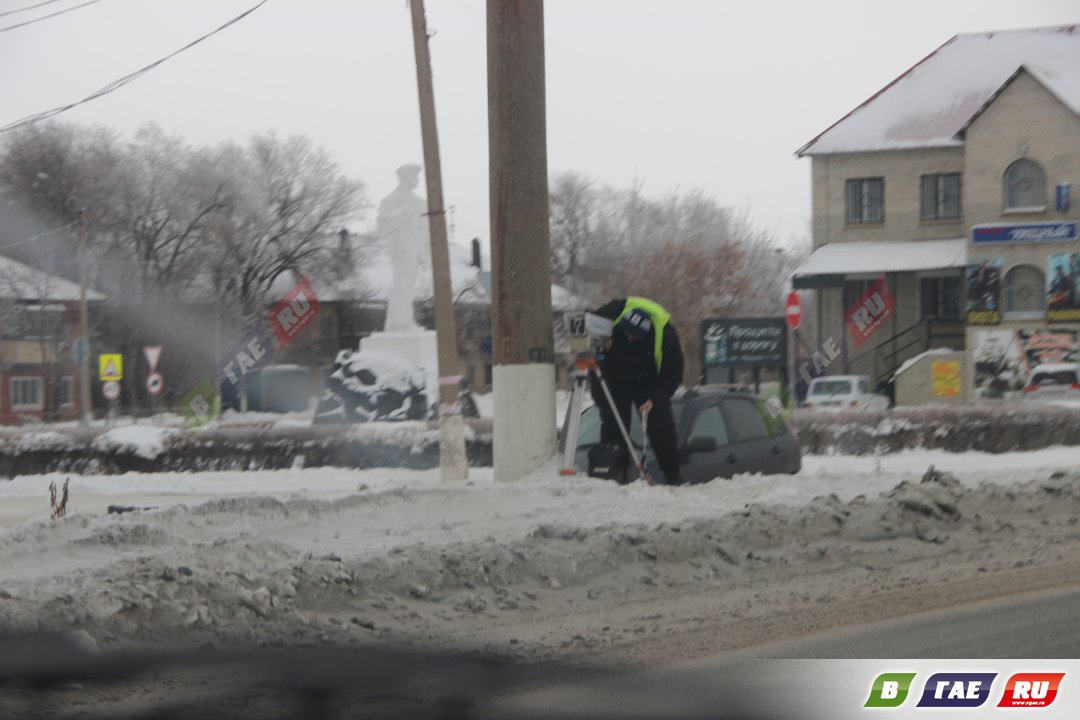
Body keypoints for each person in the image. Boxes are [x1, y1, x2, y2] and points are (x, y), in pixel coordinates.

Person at [589, 297, 685, 485]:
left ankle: (673, 475)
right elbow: (585, 323)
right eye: (627, 334)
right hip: (614, 378)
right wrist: (602, 401)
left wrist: (654, 399)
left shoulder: (665, 335)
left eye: (635, 337)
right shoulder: (613, 312)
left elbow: (672, 374)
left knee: (661, 427)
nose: (630, 338)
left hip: (648, 381)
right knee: (614, 423)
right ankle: (613, 474)